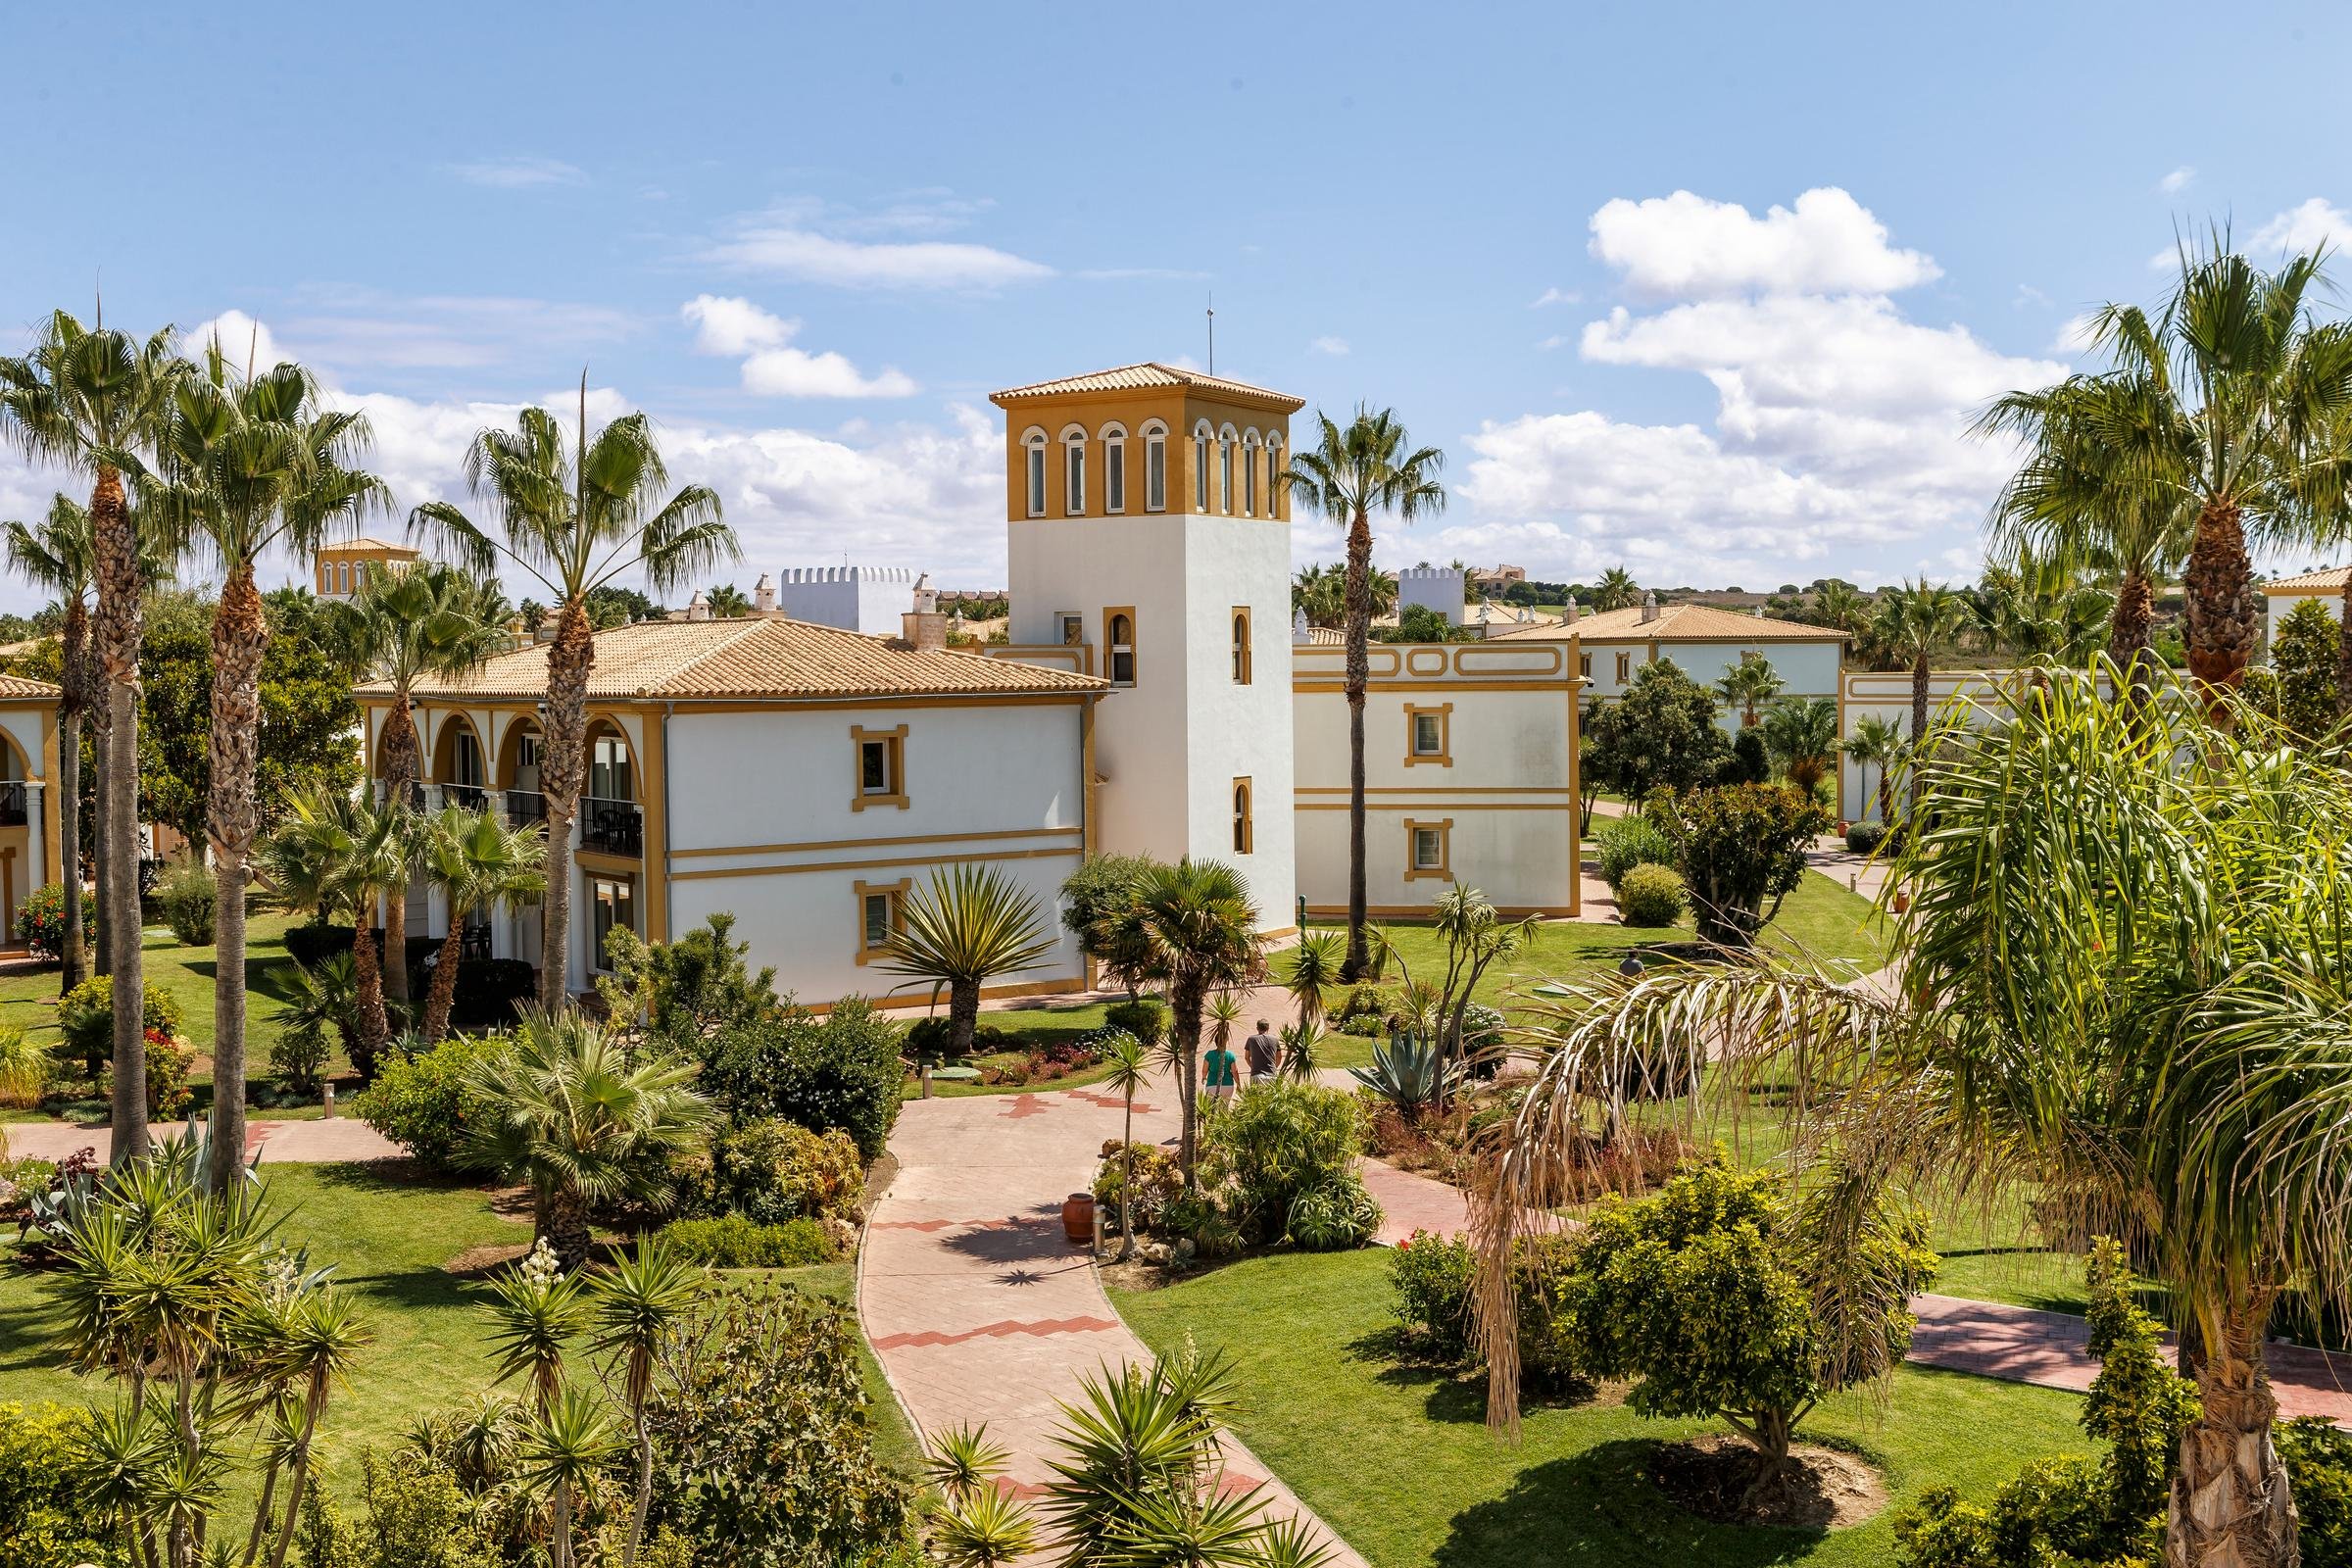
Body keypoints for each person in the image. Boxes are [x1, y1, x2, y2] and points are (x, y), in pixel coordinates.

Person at [1202, 1036, 1240, 1109]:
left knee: (1212, 1109)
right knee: (1224, 1109)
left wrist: (1204, 1077)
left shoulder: (1209, 1055)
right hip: (1228, 1085)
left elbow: (1204, 1070)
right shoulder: (1230, 1055)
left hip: (1212, 1085)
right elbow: (1234, 1071)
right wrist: (1238, 1084)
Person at [1244, 1019, 1280, 1084]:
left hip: (1257, 1074)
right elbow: (1279, 1057)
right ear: (1268, 1028)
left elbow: (1247, 1057)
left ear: (1257, 1028)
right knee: (1271, 1094)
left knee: (1256, 1094)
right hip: (1272, 1075)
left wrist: (1252, 1066)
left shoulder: (1251, 1039)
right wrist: (1274, 1067)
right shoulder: (1275, 1039)